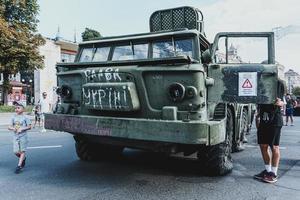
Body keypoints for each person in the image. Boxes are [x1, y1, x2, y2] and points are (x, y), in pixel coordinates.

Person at [254, 98, 284, 183]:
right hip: (263, 119)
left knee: (274, 147)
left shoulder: (276, 87)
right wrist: (257, 117)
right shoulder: (260, 88)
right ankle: (268, 171)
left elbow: (282, 102)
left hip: (275, 121)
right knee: (263, 146)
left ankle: (273, 174)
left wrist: (280, 102)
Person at [8, 101, 32, 174]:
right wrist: (13, 129)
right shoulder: (13, 117)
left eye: (18, 107)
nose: (16, 109)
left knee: (22, 151)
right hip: (16, 136)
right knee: (15, 152)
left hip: (23, 136)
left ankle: (19, 166)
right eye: (16, 108)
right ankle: (23, 158)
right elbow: (9, 126)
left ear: (23, 109)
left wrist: (22, 128)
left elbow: (29, 126)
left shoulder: (25, 117)